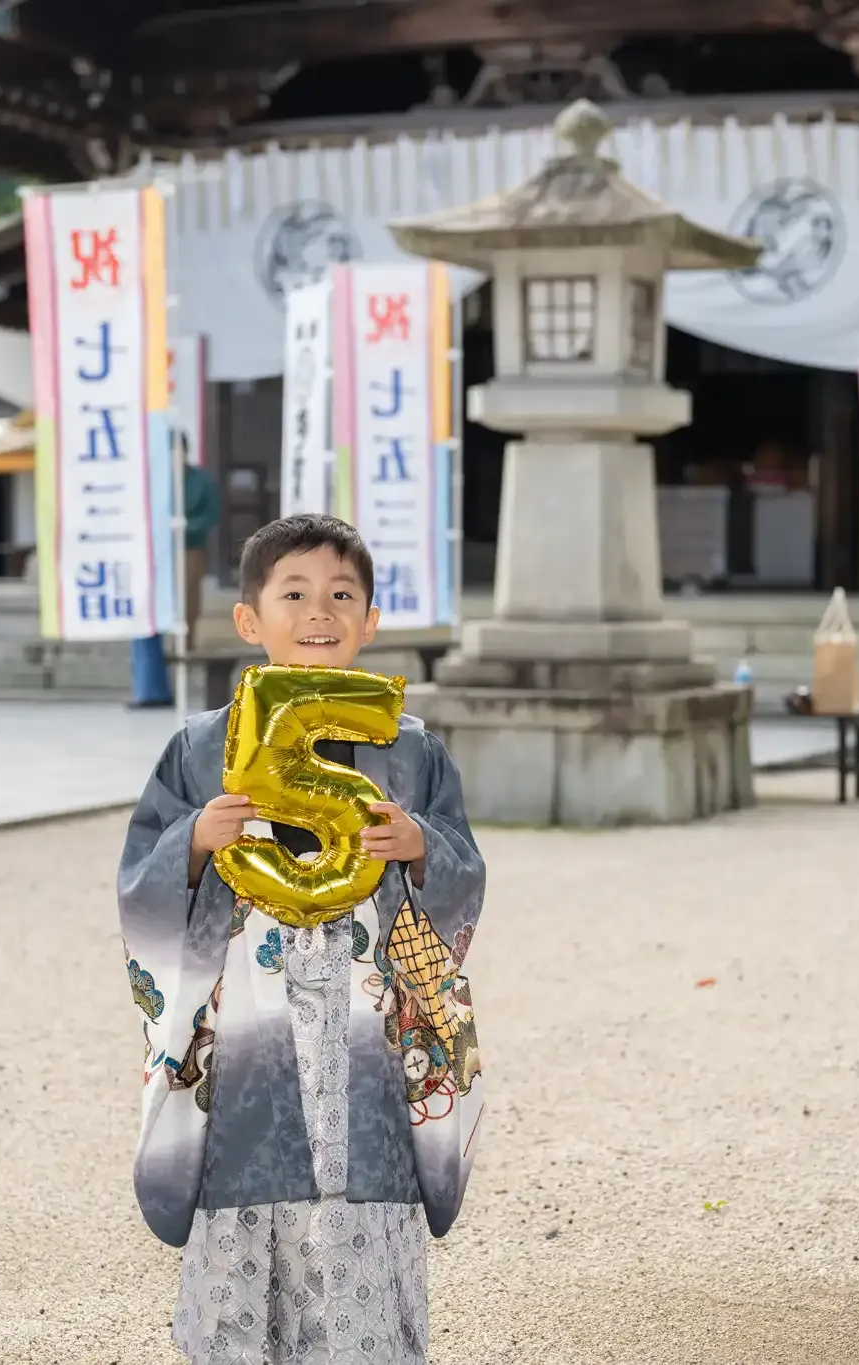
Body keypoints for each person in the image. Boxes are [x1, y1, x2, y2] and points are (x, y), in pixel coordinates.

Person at [117, 513, 487, 1364]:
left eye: (341, 594)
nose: (319, 610)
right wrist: (196, 840)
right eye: (294, 593)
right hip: (249, 1021)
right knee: (250, 1192)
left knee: (366, 1199)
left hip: (369, 1032)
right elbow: (142, 878)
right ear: (251, 620)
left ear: (370, 621)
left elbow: (464, 867)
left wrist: (424, 848)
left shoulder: (410, 746)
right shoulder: (201, 747)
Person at [130, 458, 223, 710]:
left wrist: (185, 526)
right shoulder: (156, 478)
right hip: (158, 549)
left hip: (189, 546)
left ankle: (186, 645)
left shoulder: (199, 480)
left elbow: (211, 513)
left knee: (187, 598)